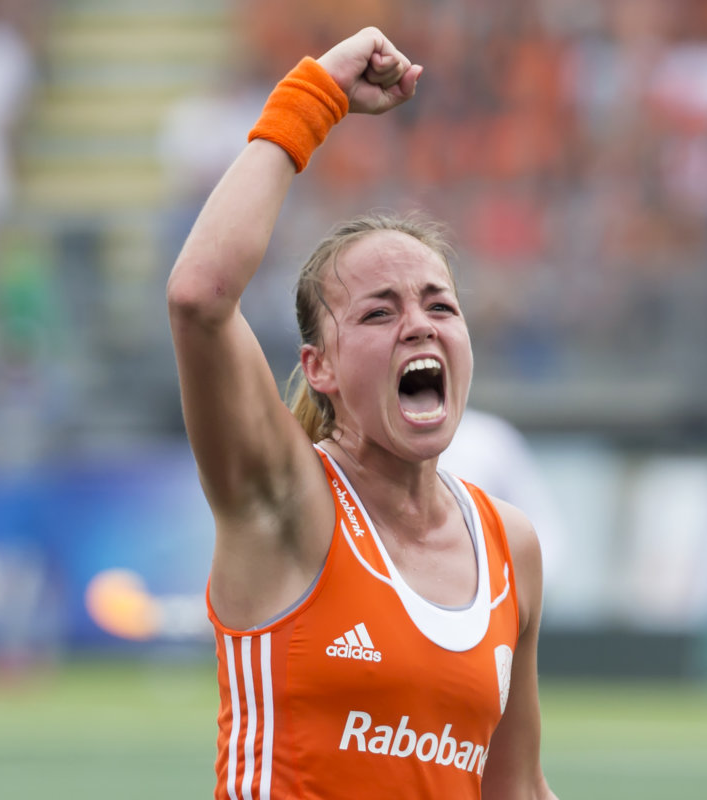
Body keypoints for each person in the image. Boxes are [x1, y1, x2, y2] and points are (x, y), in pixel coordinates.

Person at [166, 28, 557, 800]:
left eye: (440, 305)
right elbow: (199, 298)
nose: (419, 326)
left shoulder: (509, 545)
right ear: (320, 368)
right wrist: (311, 98)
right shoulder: (287, 502)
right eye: (380, 313)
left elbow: (515, 788)